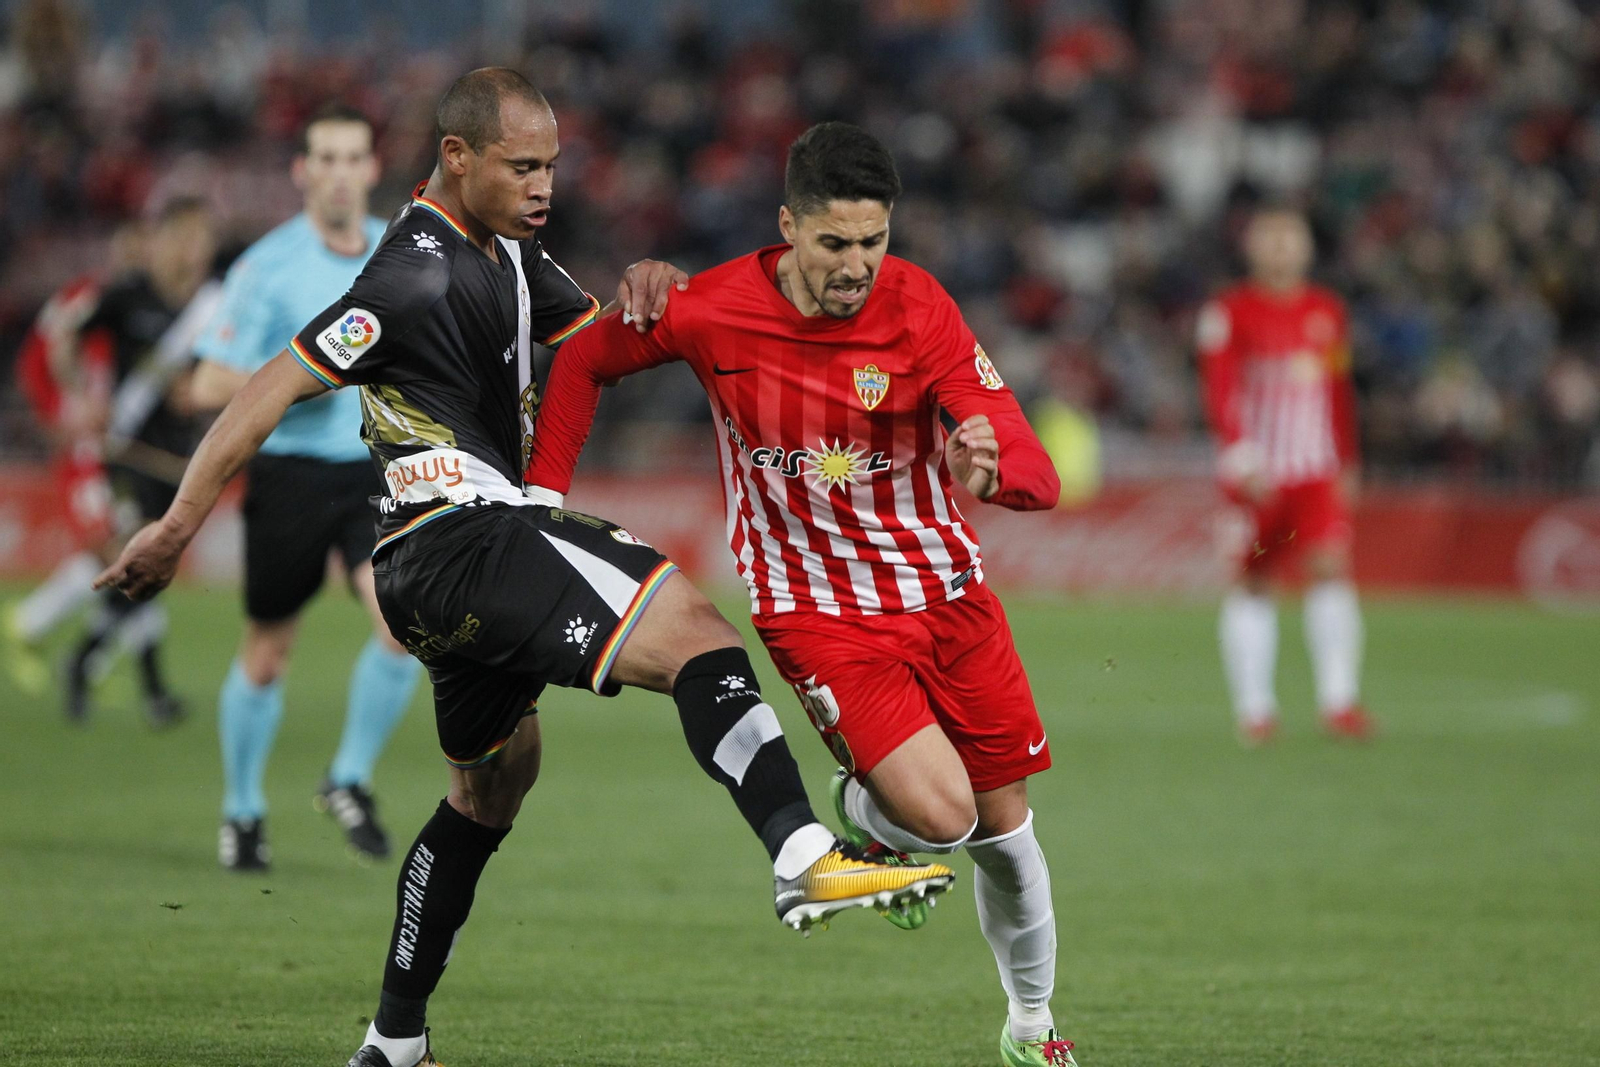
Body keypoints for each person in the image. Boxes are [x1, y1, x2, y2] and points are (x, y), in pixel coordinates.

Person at [96, 70, 952, 1067]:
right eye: (523, 165)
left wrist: (659, 293)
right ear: (457, 156)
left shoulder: (505, 250)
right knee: (698, 638)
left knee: (490, 792)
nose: (546, 183)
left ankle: (393, 1040)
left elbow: (605, 342)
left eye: (551, 163)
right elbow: (268, 386)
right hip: (462, 536)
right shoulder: (410, 270)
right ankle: (803, 855)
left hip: (438, 573)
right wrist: (175, 524)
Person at [527, 122, 1077, 1067]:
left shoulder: (920, 306)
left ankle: (1032, 1029)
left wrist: (994, 472)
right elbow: (583, 361)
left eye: (873, 241)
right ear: (789, 228)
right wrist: (539, 501)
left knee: (1008, 835)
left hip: (948, 595)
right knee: (944, 818)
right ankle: (870, 812)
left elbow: (1021, 449)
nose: (857, 265)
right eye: (835, 243)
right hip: (817, 613)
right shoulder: (709, 310)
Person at [190, 104, 423, 870]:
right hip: (288, 474)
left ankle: (348, 777)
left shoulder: (400, 249)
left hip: (371, 470)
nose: (338, 172)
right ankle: (242, 810)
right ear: (301, 171)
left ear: (370, 169)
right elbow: (206, 380)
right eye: (323, 157)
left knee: (401, 624)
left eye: (352, 157)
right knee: (268, 651)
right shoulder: (267, 266)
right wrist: (301, 381)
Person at [1197, 206, 1373, 745]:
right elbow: (1220, 389)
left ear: (1307, 248)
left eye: (1289, 238)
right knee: (1254, 581)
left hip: (1315, 469)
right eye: (1269, 237)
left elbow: (1338, 389)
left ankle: (1339, 703)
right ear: (1251, 247)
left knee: (1330, 567)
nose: (1280, 247)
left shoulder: (1328, 311)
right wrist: (1240, 457)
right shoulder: (1228, 311)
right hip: (1259, 474)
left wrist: (1347, 456)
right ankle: (1256, 710)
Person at [64, 198, 221, 726]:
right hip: (126, 456)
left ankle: (86, 661)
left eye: (202, 238)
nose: (195, 249)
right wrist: (80, 396)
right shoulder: (129, 294)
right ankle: (149, 690)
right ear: (167, 239)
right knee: (137, 561)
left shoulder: (210, 305)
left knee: (147, 573)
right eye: (187, 236)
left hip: (176, 464)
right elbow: (66, 334)